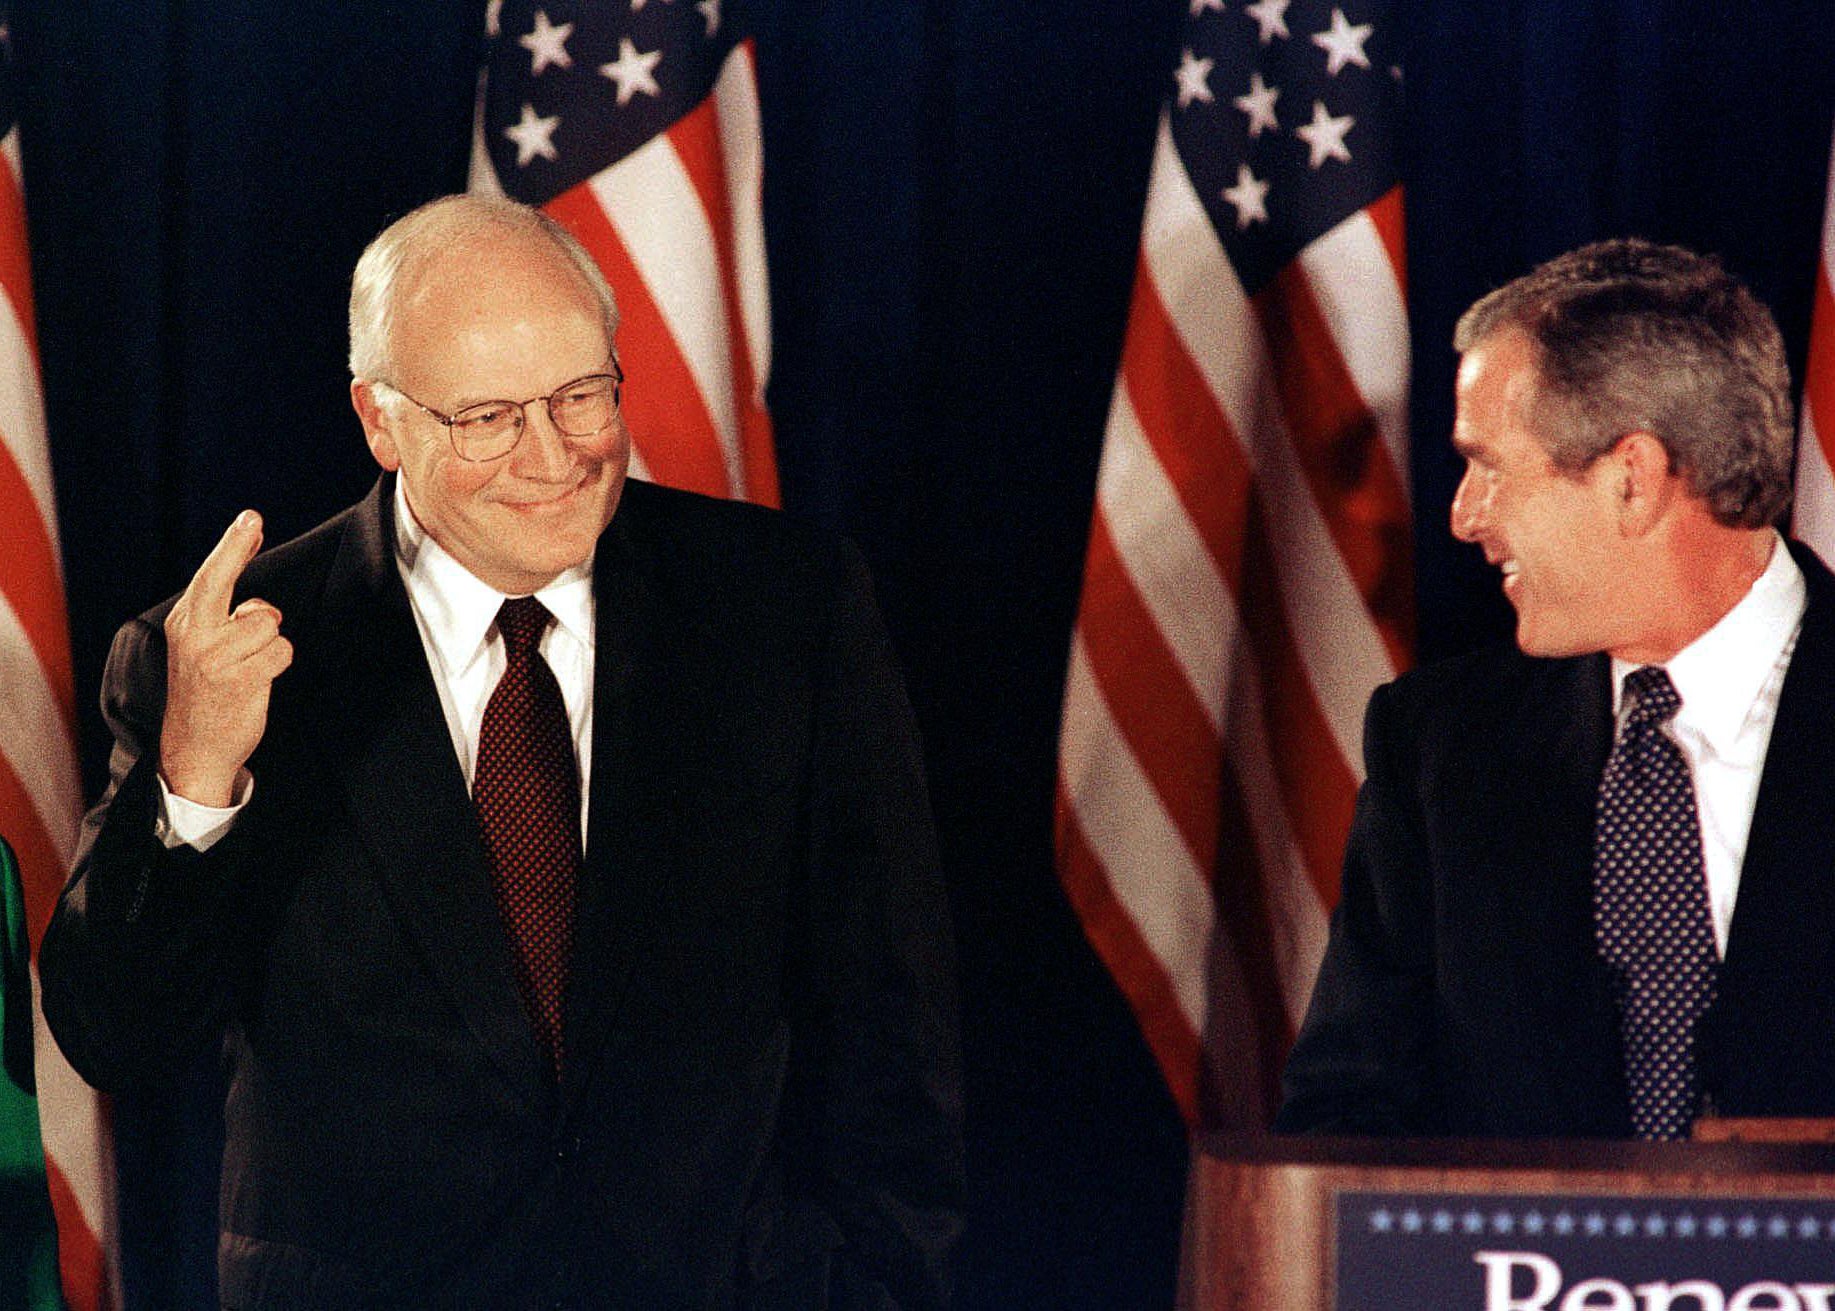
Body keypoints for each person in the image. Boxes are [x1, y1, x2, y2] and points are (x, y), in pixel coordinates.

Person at [40, 195, 965, 1307]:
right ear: (381, 422)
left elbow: (892, 1026)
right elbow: (118, 1039)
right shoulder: (232, 653)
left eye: (582, 395)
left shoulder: (784, 609)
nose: (554, 456)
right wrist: (194, 782)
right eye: (487, 417)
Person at [1277, 237, 1835, 1140]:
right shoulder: (1438, 746)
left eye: (1489, 465)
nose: (1463, 516)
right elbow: (1342, 1125)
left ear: (1631, 480)